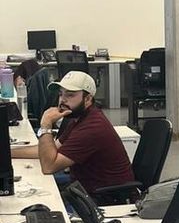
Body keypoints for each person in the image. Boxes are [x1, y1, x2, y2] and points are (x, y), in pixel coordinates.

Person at [11, 71, 135, 200]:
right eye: (61, 94)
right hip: (84, 190)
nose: (62, 100)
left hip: (104, 198)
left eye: (70, 95)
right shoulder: (80, 118)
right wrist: (8, 153)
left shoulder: (92, 127)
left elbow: (49, 166)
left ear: (88, 99)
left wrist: (46, 125)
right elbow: (53, 148)